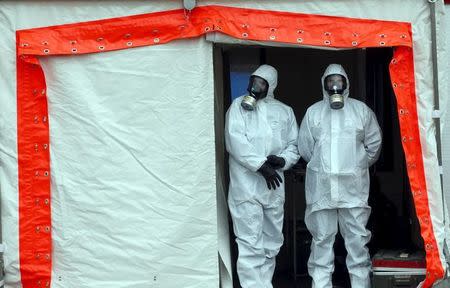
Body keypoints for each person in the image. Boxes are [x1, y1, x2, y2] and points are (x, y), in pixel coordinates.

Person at [298, 63, 382, 288]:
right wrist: (321, 166)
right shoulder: (314, 112)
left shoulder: (360, 110)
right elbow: (305, 147)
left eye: (339, 80)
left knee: (357, 242)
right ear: (324, 83)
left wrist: (357, 164)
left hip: (352, 190)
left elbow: (374, 143)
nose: (335, 84)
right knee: (322, 241)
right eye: (330, 80)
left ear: (346, 83)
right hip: (322, 189)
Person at [225, 64, 300, 288]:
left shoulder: (284, 111)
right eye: (253, 81)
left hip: (273, 187)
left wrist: (283, 160)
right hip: (246, 187)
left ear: (271, 86)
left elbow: (294, 145)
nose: (255, 87)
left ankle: (264, 284)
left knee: (272, 243)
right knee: (249, 243)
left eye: (261, 83)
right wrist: (260, 166)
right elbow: (235, 142)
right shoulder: (238, 106)